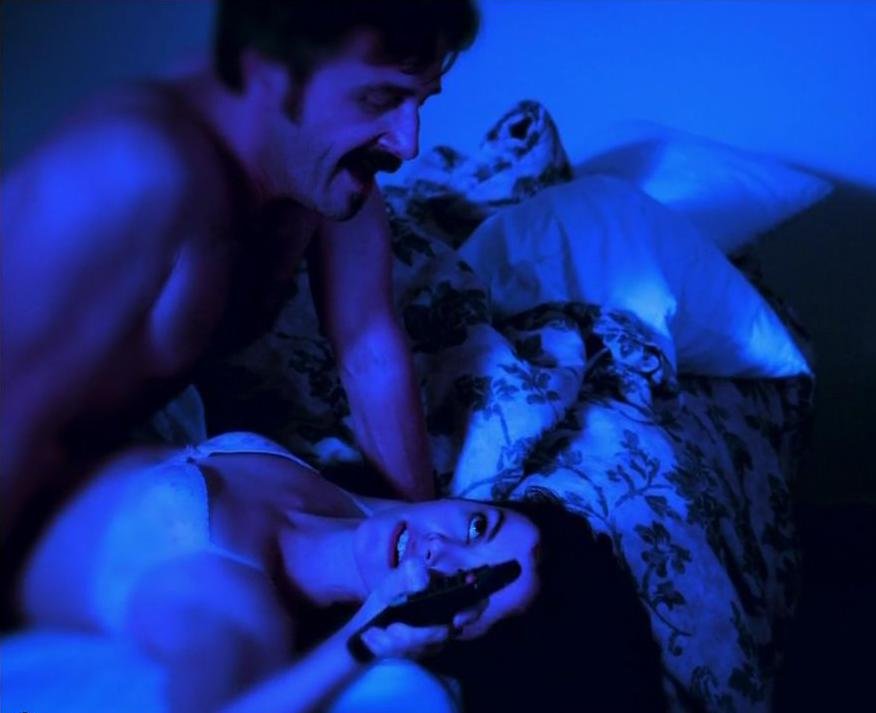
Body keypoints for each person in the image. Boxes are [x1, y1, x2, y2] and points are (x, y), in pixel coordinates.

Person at [0, 0, 481, 542]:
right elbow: (11, 417)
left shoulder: (325, 180)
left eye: (420, 102)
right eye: (380, 99)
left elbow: (369, 351)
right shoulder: (134, 170)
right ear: (270, 72)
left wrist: (432, 531)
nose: (408, 144)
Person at [17, 431, 542, 713]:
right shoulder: (361, 502)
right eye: (478, 527)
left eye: (460, 584)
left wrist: (367, 639)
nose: (440, 550)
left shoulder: (239, 613)